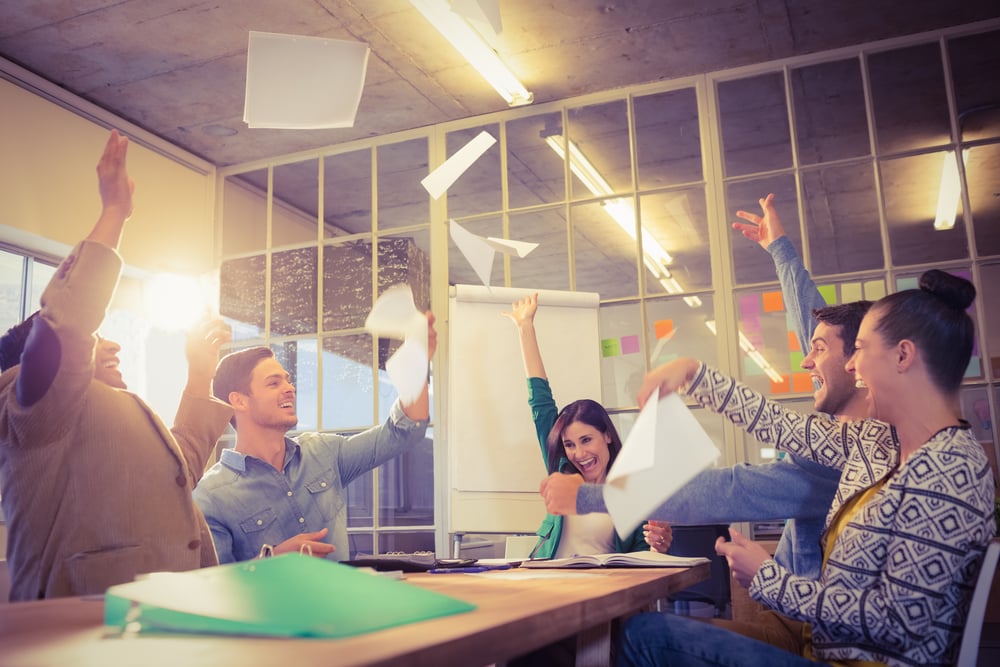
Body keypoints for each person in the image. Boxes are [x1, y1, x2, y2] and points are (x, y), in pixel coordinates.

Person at [620, 269, 995, 667]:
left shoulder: (950, 472)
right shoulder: (878, 442)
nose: (852, 367)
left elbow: (898, 623)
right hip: (817, 650)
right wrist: (693, 374)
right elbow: (779, 425)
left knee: (643, 636)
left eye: (861, 349)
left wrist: (770, 580)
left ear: (903, 355)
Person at [540, 194, 861, 579]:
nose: (807, 361)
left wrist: (586, 497)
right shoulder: (841, 439)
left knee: (641, 637)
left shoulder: (841, 460)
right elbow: (820, 332)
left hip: (800, 622)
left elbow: (729, 489)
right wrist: (781, 251)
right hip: (790, 608)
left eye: (820, 352)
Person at [0, 130, 234, 601]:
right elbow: (65, 326)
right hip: (79, 632)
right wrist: (114, 213)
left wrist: (200, 374)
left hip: (160, 623)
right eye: (93, 344)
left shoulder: (112, 414)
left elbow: (180, 466)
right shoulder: (34, 413)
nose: (108, 348)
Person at [193, 318, 435, 563]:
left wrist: (416, 364)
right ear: (239, 401)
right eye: (274, 383)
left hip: (341, 601)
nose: (290, 388)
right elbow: (216, 585)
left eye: (287, 380)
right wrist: (274, 559)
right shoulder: (210, 497)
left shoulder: (324, 452)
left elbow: (403, 432)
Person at [503, 292, 671, 559]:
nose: (578, 454)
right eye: (569, 444)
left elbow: (642, 554)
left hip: (605, 589)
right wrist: (526, 328)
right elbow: (541, 404)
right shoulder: (561, 470)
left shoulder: (632, 486)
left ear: (606, 435)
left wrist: (656, 545)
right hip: (552, 579)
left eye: (586, 440)